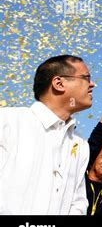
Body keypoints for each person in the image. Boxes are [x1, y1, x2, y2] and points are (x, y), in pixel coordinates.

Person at [0, 55, 94, 214]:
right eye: (86, 78)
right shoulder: (7, 122)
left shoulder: (80, 145)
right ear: (59, 83)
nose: (92, 84)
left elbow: (77, 203)